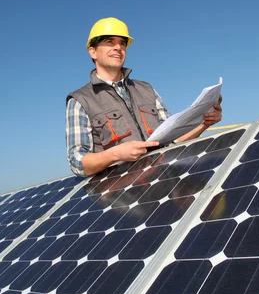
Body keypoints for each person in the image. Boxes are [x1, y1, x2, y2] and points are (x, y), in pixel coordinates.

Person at [66, 17, 223, 176]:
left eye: (122, 43)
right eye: (109, 42)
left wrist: (204, 122)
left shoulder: (146, 90)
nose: (118, 47)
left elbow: (173, 140)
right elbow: (77, 162)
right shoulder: (80, 100)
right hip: (120, 194)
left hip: (164, 179)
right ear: (92, 51)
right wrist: (115, 154)